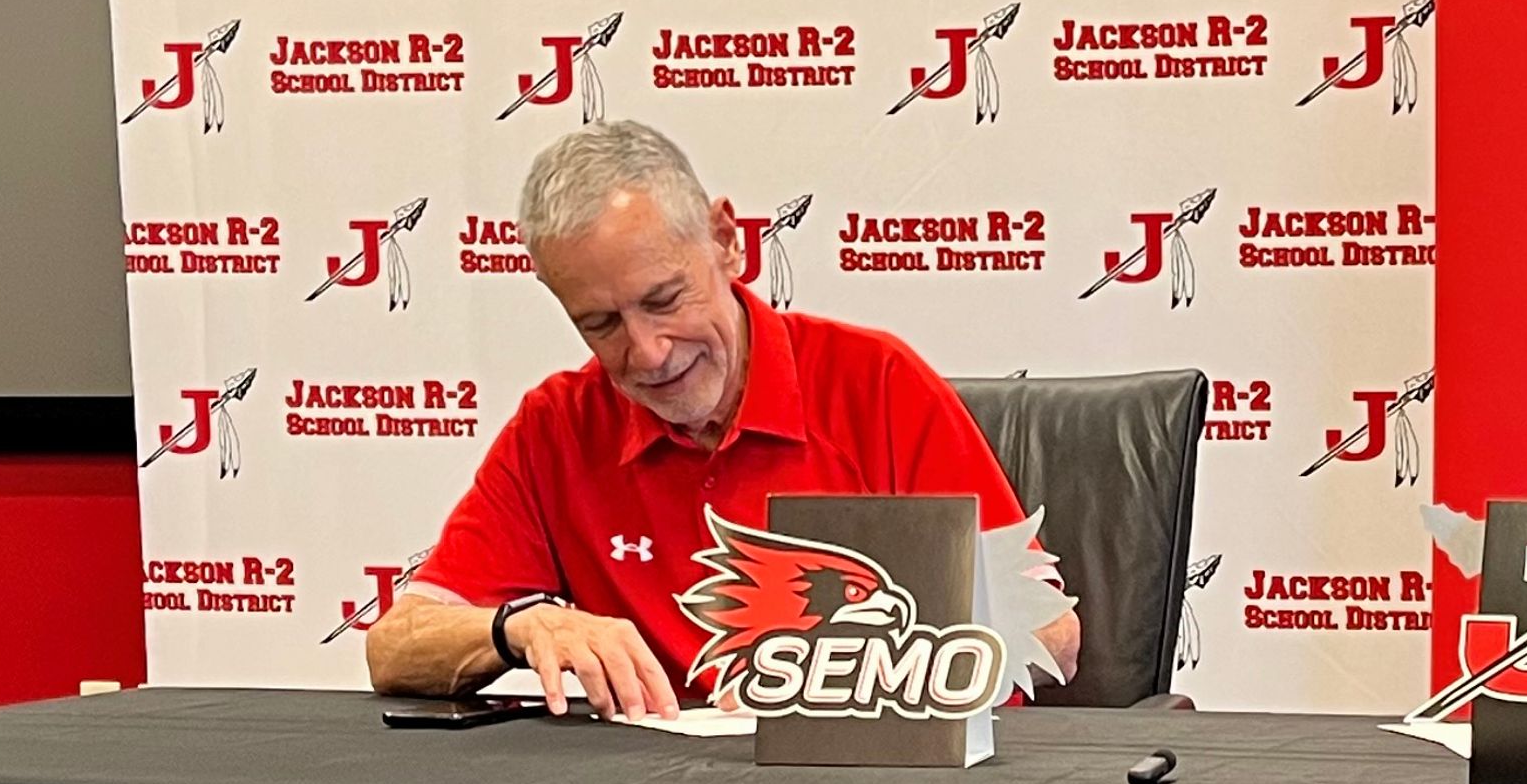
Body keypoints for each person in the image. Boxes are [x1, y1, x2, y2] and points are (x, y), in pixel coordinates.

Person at [367, 121, 1076, 712]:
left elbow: (1050, 631)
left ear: (727, 240)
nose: (647, 353)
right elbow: (394, 646)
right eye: (601, 323)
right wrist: (520, 625)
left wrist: (831, 681)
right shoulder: (557, 426)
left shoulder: (876, 382)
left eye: (665, 299)